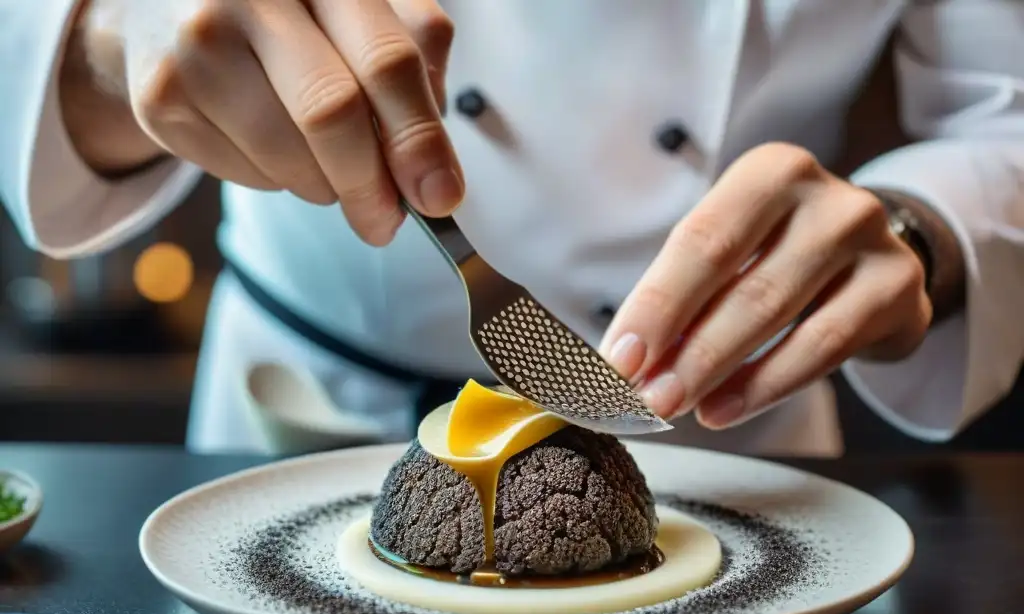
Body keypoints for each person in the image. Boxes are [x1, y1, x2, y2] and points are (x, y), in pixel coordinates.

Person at [2, 1, 1022, 456]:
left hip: (726, 446)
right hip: (304, 431)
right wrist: (99, 42)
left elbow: (1002, 117)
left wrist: (916, 228)